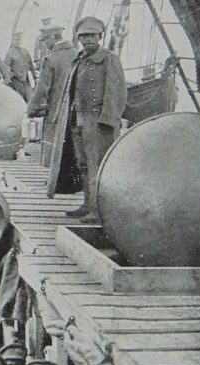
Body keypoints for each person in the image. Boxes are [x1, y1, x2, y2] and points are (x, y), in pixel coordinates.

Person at [50, 16, 127, 223]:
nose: (88, 40)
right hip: (79, 120)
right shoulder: (79, 59)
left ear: (100, 36)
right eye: (83, 36)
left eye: (92, 36)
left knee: (96, 165)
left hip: (98, 122)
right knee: (83, 164)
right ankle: (87, 203)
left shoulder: (109, 59)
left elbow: (117, 92)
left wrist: (109, 121)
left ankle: (98, 209)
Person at [27, 24, 77, 168]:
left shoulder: (51, 59)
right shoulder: (77, 54)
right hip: (76, 111)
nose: (44, 44)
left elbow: (41, 89)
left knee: (53, 141)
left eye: (44, 40)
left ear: (52, 38)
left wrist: (30, 110)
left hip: (56, 110)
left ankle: (52, 177)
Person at [4, 32, 37, 101]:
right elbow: (5, 67)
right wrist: (8, 77)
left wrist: (35, 77)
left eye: (19, 40)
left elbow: (31, 65)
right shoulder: (10, 53)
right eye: (15, 40)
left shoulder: (25, 51)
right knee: (19, 99)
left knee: (30, 98)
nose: (17, 42)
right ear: (12, 41)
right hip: (16, 80)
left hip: (26, 80)